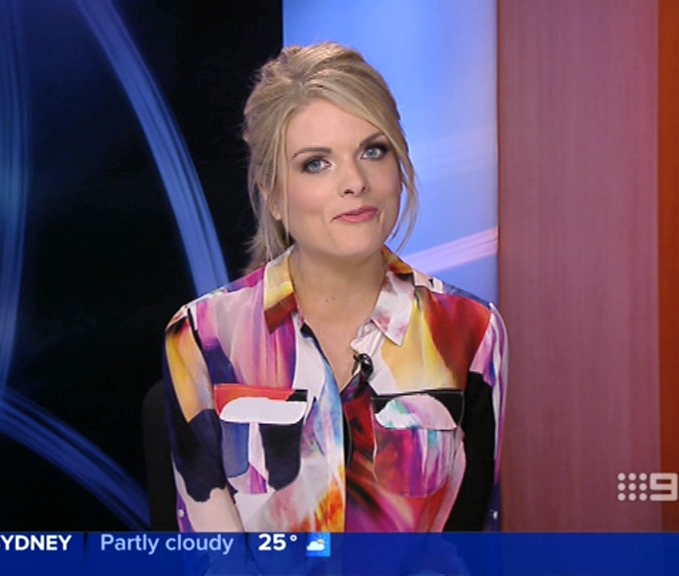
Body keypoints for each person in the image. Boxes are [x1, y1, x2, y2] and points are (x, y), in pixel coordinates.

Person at [163, 42, 507, 532]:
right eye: (316, 163)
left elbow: (471, 540)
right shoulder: (203, 335)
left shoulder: (471, 331)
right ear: (273, 194)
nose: (355, 182)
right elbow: (213, 552)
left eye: (373, 151)